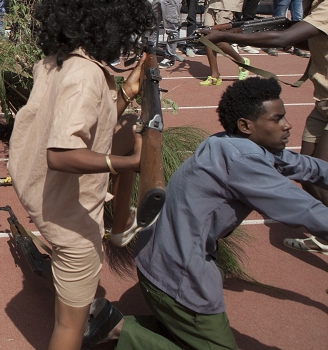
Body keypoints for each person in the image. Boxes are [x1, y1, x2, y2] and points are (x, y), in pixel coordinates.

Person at [83, 78, 328, 350]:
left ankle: (116, 321)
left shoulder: (229, 142)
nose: (287, 125)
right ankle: (117, 329)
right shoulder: (242, 160)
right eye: (277, 119)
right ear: (246, 125)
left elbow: (304, 166)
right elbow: (305, 210)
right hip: (178, 272)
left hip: (158, 256)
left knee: (192, 333)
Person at [7, 0, 154, 350]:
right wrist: (129, 165)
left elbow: (91, 122)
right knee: (69, 327)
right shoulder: (86, 75)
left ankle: (115, 238)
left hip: (47, 199)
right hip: (70, 220)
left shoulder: (57, 61)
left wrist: (126, 93)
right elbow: (61, 153)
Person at [201, 0, 328, 251]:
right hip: (322, 101)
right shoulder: (315, 2)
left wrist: (227, 35)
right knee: (306, 169)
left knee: (321, 171)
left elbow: (285, 37)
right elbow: (297, 36)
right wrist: (237, 25)